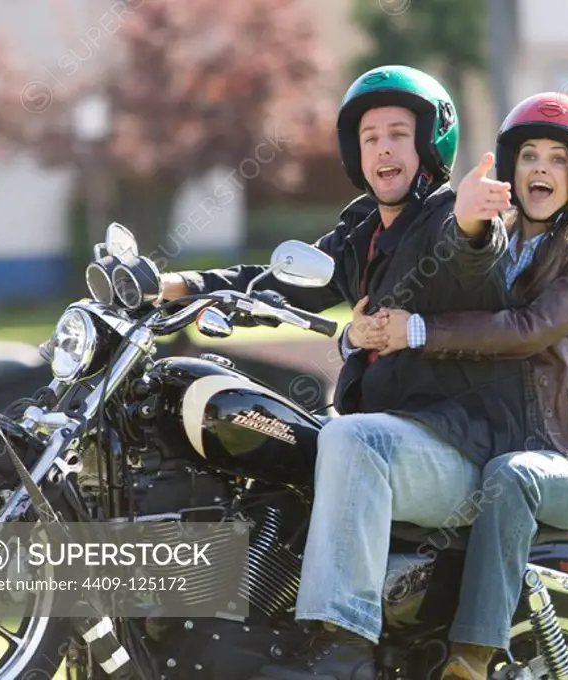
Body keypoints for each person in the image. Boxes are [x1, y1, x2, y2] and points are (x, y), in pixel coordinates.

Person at [160, 65, 537, 680]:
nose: (383, 147)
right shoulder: (363, 228)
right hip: (400, 447)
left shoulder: (448, 217)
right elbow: (281, 286)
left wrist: (473, 220)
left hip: (463, 453)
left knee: (348, 438)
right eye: (370, 138)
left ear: (428, 145)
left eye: (397, 133)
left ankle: (343, 648)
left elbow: (471, 256)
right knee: (285, 449)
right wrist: (177, 286)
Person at [369, 92, 568, 679]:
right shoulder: (495, 239)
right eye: (530, 154)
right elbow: (435, 292)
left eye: (559, 158)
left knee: (513, 475)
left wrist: (416, 330)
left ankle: (472, 655)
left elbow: (525, 331)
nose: (540, 168)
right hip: (497, 436)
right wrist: (365, 327)